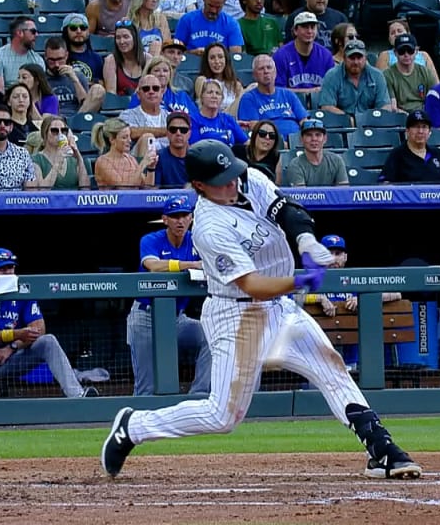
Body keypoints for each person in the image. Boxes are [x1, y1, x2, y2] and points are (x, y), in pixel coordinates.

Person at [100, 140, 422, 481]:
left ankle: (383, 450)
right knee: (222, 416)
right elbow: (252, 284)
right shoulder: (209, 227)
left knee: (331, 367)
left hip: (280, 308)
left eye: (233, 174)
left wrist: (306, 241)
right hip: (237, 317)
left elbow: (287, 211)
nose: (232, 183)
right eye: (221, 179)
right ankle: (134, 426)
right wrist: (300, 282)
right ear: (199, 186)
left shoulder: (248, 178)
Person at [0, 249, 96, 399]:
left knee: (48, 340)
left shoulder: (21, 291)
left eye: (9, 268)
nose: (7, 273)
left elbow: (39, 328)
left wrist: (12, 346)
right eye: (1, 269)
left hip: (13, 358)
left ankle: (77, 395)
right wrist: (14, 334)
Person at [127, 195, 211, 396]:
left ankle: (198, 396)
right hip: (145, 317)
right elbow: (153, 266)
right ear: (165, 219)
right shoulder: (151, 239)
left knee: (211, 336)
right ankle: (140, 423)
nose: (180, 221)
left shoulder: (198, 241)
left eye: (184, 215)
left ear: (191, 218)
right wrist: (189, 265)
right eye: (175, 216)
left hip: (177, 319)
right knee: (146, 388)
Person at [379, 110, 440, 183]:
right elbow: (385, 184)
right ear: (407, 131)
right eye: (416, 127)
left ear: (430, 132)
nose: (420, 131)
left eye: (424, 127)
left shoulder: (437, 154)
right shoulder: (397, 155)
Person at [283, 118, 349, 187]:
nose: (314, 139)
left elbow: (343, 191)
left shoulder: (337, 161)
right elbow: (301, 195)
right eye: (309, 135)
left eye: (318, 135)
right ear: (301, 139)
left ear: (325, 139)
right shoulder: (295, 165)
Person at [30, 115, 89, 189]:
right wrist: (57, 164)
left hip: (72, 200)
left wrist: (79, 158)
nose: (60, 134)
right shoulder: (36, 160)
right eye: (54, 131)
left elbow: (86, 189)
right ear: (45, 134)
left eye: (63, 130)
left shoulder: (73, 160)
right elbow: (42, 192)